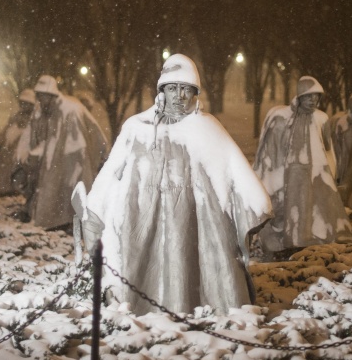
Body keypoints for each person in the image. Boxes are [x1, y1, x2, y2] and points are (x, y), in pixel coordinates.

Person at [77, 54, 272, 315]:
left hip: (195, 226)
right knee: (146, 264)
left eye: (186, 89)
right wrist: (94, 208)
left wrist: (254, 205)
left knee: (188, 262)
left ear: (195, 93)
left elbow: (235, 174)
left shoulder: (207, 129)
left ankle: (199, 303)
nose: (179, 95)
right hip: (143, 226)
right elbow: (111, 175)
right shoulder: (137, 129)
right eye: (172, 88)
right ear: (161, 91)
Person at [253, 76, 352, 259]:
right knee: (289, 209)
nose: (313, 101)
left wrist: (330, 172)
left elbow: (328, 149)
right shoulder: (284, 118)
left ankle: (308, 239)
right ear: (300, 96)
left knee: (315, 208)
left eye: (317, 97)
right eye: (309, 96)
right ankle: (289, 241)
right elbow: (273, 148)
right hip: (292, 172)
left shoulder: (321, 118)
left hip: (315, 171)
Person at [14, 75, 108, 230]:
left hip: (74, 159)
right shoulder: (48, 110)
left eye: (43, 97)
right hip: (61, 158)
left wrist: (47, 154)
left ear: (51, 96)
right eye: (39, 96)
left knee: (72, 188)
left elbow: (74, 143)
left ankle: (72, 222)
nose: (40, 100)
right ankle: (59, 220)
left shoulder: (69, 110)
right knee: (55, 189)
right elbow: (40, 134)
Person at [0, 88, 35, 196]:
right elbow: (6, 131)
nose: (24, 106)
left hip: (21, 151)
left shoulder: (34, 119)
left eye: (27, 104)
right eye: (22, 103)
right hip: (7, 150)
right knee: (5, 168)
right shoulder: (16, 116)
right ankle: (4, 189)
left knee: (17, 171)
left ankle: (15, 190)